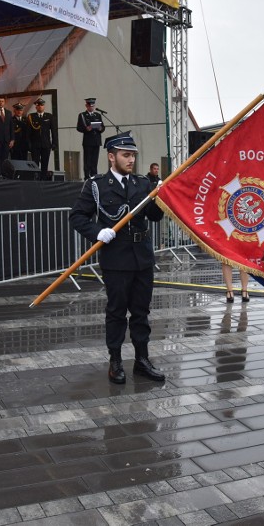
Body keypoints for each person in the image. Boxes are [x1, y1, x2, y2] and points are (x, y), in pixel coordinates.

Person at [69, 131, 165, 384]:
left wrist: (163, 197)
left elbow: (155, 216)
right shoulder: (96, 185)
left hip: (142, 257)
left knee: (141, 312)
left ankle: (142, 360)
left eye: (133, 155)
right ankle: (115, 361)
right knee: (116, 312)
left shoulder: (143, 184)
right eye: (125, 155)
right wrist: (97, 231)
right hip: (116, 259)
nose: (131, 159)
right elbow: (77, 216)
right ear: (112, 157)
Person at [27, 98, 58, 180]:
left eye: (42, 105)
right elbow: (28, 132)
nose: (40, 107)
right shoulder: (31, 116)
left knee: (45, 163)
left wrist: (55, 143)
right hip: (35, 144)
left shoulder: (49, 116)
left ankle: (43, 179)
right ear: (36, 107)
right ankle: (35, 178)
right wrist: (29, 144)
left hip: (46, 144)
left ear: (44, 106)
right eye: (38, 105)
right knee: (35, 163)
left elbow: (54, 130)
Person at [76, 97, 105, 179]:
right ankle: (87, 176)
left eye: (92, 106)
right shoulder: (82, 115)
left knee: (95, 160)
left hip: (96, 140)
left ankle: (94, 175)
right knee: (87, 160)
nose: (91, 107)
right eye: (89, 105)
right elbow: (78, 128)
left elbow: (102, 126)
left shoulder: (98, 115)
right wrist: (86, 129)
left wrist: (101, 129)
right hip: (88, 141)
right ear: (86, 105)